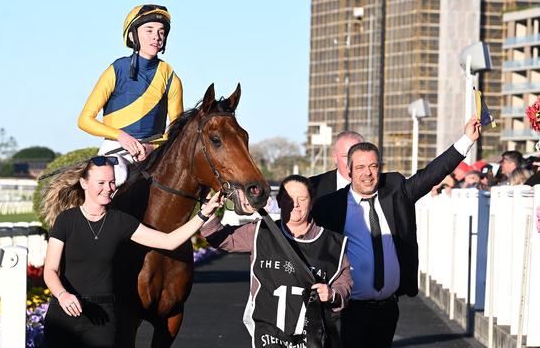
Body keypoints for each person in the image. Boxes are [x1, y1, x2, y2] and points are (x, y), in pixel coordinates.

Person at [312, 116, 481, 348]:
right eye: (360, 167)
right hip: (348, 312)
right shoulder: (330, 206)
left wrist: (467, 140)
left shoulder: (396, 191)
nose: (368, 173)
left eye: (373, 166)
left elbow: (432, 173)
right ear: (349, 171)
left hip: (388, 309)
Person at [40, 155, 223, 348]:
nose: (108, 188)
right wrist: (62, 295)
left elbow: (169, 242)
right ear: (84, 183)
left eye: (112, 182)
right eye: (101, 182)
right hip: (63, 314)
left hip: (102, 319)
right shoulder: (66, 221)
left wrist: (204, 213)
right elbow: (50, 270)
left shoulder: (121, 222)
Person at [203, 175, 353, 347]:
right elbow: (222, 239)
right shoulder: (260, 231)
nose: (295, 204)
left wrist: (333, 294)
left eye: (302, 199)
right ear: (279, 201)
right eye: (289, 198)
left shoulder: (332, 243)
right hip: (269, 335)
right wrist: (208, 210)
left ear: (312, 203)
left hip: (313, 337)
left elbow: (344, 283)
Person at [78, 4, 183, 162]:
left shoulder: (171, 78)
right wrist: (121, 136)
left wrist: (152, 147)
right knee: (116, 176)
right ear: (133, 36)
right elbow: (84, 120)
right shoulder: (117, 70)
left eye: (161, 32)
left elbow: (178, 130)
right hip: (115, 148)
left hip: (153, 153)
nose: (156, 36)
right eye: (149, 30)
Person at [310, 131, 365, 199]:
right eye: (345, 156)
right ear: (335, 157)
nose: (351, 162)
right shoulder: (313, 186)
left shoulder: (380, 185)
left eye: (357, 156)